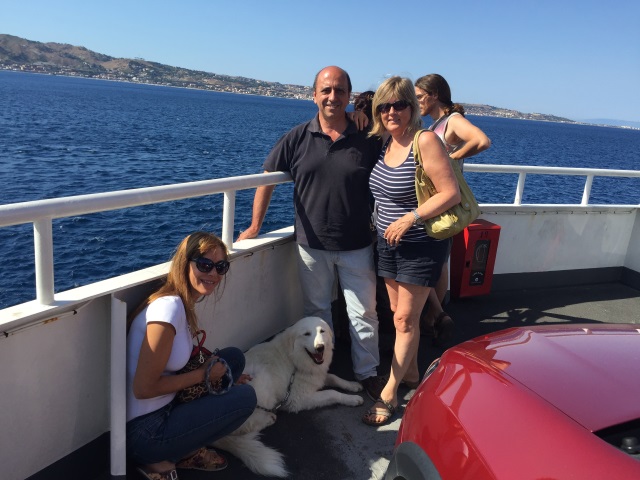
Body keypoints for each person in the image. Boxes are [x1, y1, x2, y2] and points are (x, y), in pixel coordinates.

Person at [236, 66, 387, 401]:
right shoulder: (297, 137)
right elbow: (267, 178)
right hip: (311, 245)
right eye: (326, 90)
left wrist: (366, 116)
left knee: (364, 314)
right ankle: (318, 375)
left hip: (357, 244)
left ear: (349, 96)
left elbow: (397, 157)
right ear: (314, 95)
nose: (333, 97)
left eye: (340, 91)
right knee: (317, 314)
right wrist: (255, 226)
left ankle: (368, 373)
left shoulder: (368, 137)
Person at [363, 76, 461, 426]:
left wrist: (410, 218)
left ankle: (390, 392)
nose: (392, 112)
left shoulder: (425, 140)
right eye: (384, 106)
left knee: (405, 319)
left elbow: (450, 192)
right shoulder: (385, 143)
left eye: (399, 104)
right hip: (388, 243)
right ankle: (413, 374)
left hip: (420, 244)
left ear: (412, 107)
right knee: (400, 315)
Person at [126, 231, 257, 480]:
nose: (213, 274)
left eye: (221, 267)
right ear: (185, 264)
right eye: (205, 265)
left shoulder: (179, 302)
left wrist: (214, 373)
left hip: (167, 406)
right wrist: (203, 375)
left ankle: (180, 446)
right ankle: (164, 457)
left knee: (233, 358)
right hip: (147, 432)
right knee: (245, 398)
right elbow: (143, 389)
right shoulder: (169, 309)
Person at [414, 74, 491, 343]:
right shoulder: (436, 123)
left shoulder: (452, 120)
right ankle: (435, 315)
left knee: (434, 260)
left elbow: (482, 140)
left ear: (434, 95)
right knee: (439, 260)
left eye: (420, 97)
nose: (417, 102)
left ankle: (434, 316)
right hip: (436, 200)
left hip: (445, 201)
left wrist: (450, 157)